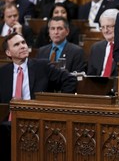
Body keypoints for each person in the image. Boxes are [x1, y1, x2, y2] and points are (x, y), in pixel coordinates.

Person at [0, 32, 77, 161]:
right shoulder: (3, 73)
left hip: (37, 120)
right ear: (8, 53)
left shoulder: (42, 66)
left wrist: (59, 105)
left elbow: (70, 80)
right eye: (17, 44)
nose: (23, 46)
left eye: (23, 42)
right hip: (8, 123)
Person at [87, 9, 119, 76]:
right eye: (102, 27)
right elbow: (90, 76)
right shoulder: (96, 48)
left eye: (109, 26)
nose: (105, 31)